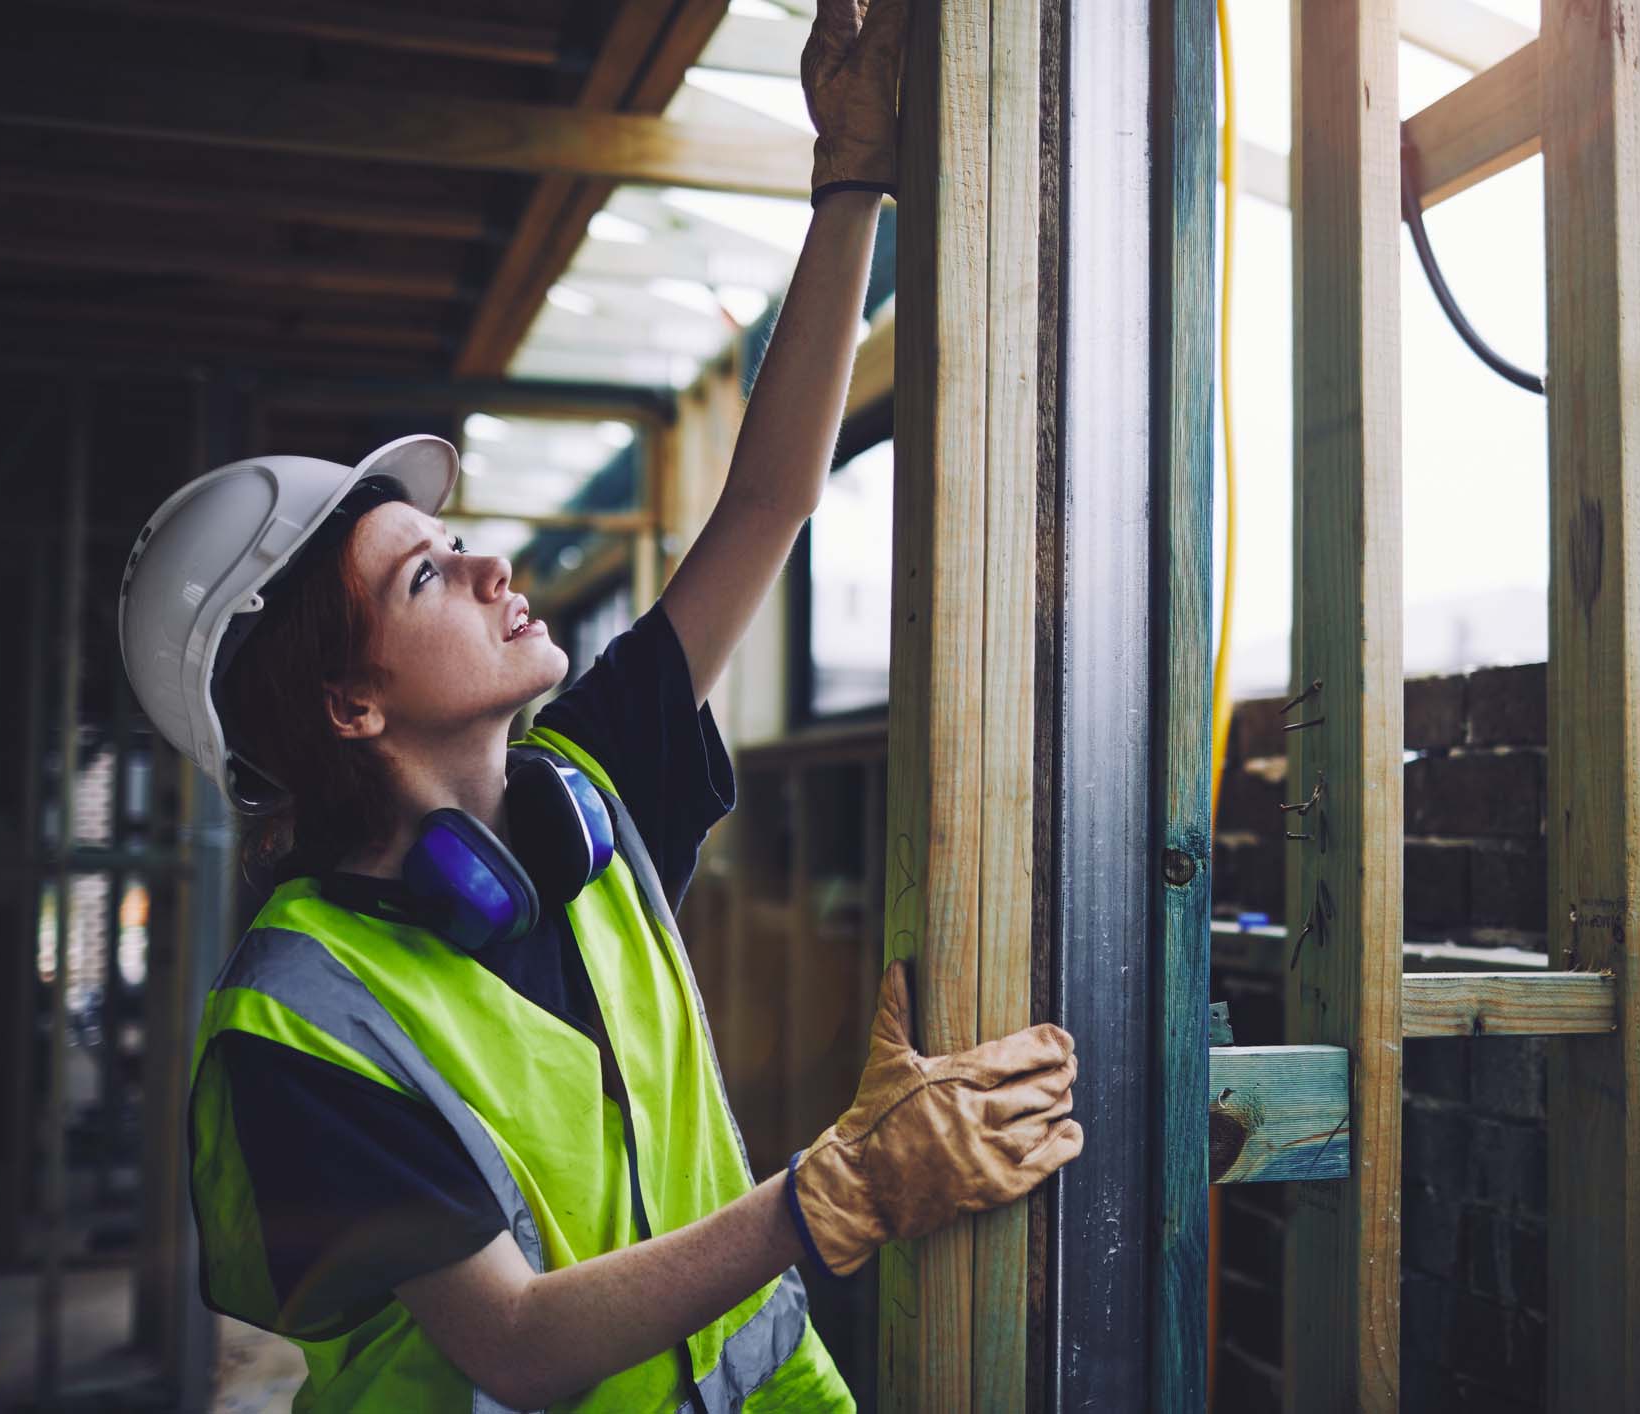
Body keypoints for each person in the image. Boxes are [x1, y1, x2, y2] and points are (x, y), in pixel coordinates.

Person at [115, 1, 1083, 1407]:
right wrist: (835, 1192)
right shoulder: (300, 1021)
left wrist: (850, 180)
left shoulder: (580, 796)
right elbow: (511, 1340)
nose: (490, 562)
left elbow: (766, 503)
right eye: (426, 576)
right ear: (347, 703)